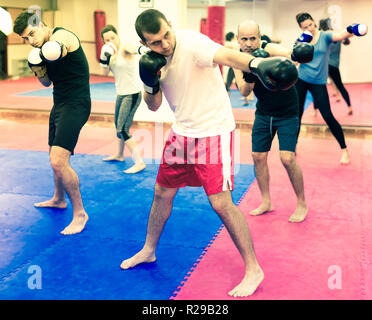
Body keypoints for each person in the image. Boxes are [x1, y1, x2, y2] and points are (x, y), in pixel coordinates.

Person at [120, 9, 298, 297]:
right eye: (155, 42)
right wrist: (150, 81)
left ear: (170, 26)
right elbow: (153, 106)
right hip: (182, 133)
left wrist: (256, 64)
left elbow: (228, 56)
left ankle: (253, 268)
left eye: (166, 35)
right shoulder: (152, 62)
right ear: (145, 42)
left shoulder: (192, 43)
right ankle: (149, 250)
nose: (165, 44)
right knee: (161, 193)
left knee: (221, 204)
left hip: (213, 131)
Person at [13, 11, 91, 235]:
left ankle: (80, 214)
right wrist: (38, 70)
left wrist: (51, 48)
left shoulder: (63, 35)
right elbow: (47, 83)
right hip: (59, 105)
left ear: (43, 24)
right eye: (25, 39)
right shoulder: (38, 52)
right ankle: (58, 199)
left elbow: (61, 45)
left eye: (32, 34)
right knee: (52, 155)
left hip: (76, 105)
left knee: (58, 161)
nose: (31, 41)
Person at [233, 20, 310, 223]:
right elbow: (244, 91)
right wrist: (251, 70)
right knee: (258, 156)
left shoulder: (268, 48)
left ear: (260, 38)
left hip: (287, 112)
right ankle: (266, 201)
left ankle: (302, 202)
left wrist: (292, 54)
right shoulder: (238, 59)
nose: (249, 43)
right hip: (264, 112)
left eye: (253, 38)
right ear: (237, 39)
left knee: (287, 158)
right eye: (244, 39)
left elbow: (288, 55)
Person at [295, 12, 367, 164]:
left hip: (318, 82)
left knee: (327, 116)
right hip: (301, 80)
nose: (309, 28)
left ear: (314, 22)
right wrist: (297, 46)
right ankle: (291, 147)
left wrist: (352, 29)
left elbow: (340, 36)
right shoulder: (302, 40)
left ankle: (344, 149)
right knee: (297, 116)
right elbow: (294, 58)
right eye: (305, 27)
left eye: (310, 24)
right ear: (301, 28)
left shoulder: (325, 36)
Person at [99, 25, 146, 174]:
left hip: (132, 94)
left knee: (123, 129)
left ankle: (139, 162)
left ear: (117, 36)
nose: (111, 41)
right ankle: (119, 155)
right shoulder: (110, 54)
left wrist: (144, 49)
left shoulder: (125, 48)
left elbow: (135, 48)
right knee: (117, 126)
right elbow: (104, 73)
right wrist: (104, 58)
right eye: (107, 40)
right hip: (120, 93)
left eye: (113, 37)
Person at [319, 18, 353, 116]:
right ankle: (349, 106)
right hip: (333, 65)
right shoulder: (337, 35)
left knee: (319, 87)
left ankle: (316, 110)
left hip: (325, 65)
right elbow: (347, 42)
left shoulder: (323, 36)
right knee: (339, 85)